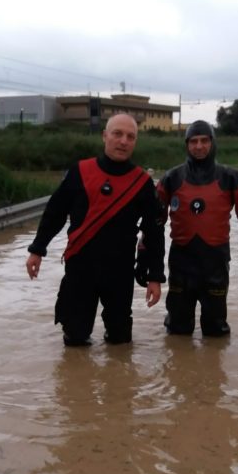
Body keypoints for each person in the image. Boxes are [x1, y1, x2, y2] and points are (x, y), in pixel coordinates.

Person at [26, 112, 165, 347]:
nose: (123, 141)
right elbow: (55, 213)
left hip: (120, 272)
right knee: (75, 341)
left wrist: (155, 277)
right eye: (117, 134)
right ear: (104, 136)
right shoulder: (80, 172)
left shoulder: (142, 183)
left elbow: (154, 232)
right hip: (80, 269)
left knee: (120, 345)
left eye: (130, 136)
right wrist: (37, 250)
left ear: (135, 142)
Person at [136, 119, 238, 337]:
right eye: (194, 141)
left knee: (216, 332)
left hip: (215, 264)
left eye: (204, 141)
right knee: (177, 331)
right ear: (187, 144)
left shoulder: (232, 179)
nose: (199, 146)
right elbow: (153, 225)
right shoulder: (170, 179)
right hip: (181, 264)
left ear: (213, 142)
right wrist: (143, 259)